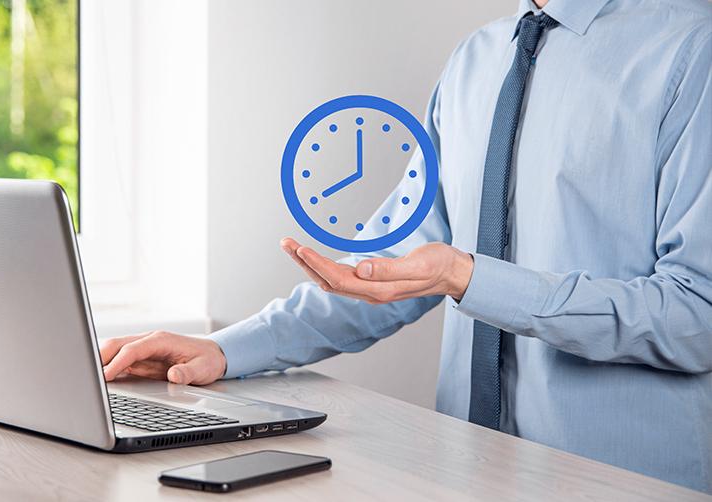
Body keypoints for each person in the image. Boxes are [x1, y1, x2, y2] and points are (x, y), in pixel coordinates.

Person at [99, 0, 712, 492]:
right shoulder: (477, 59)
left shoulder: (693, 47)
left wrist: (471, 278)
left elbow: (696, 314)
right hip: (461, 473)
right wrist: (223, 350)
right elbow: (396, 271)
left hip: (626, 483)